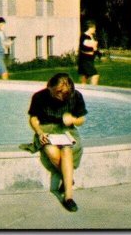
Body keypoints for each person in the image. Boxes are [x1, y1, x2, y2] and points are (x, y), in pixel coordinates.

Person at [27, 73, 87, 212]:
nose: (56, 95)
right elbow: (33, 119)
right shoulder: (39, 96)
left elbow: (81, 120)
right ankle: (68, 178)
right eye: (54, 92)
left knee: (67, 149)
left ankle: (68, 197)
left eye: (60, 93)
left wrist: (73, 120)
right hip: (45, 130)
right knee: (51, 150)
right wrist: (39, 132)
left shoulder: (76, 96)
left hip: (67, 131)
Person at [77, 21, 100, 85]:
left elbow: (95, 47)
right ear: (90, 28)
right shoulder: (84, 36)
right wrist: (93, 49)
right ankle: (93, 91)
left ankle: (83, 91)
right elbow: (83, 48)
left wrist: (98, 52)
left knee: (84, 78)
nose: (95, 29)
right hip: (85, 60)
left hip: (90, 59)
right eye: (94, 28)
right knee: (95, 75)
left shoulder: (92, 36)